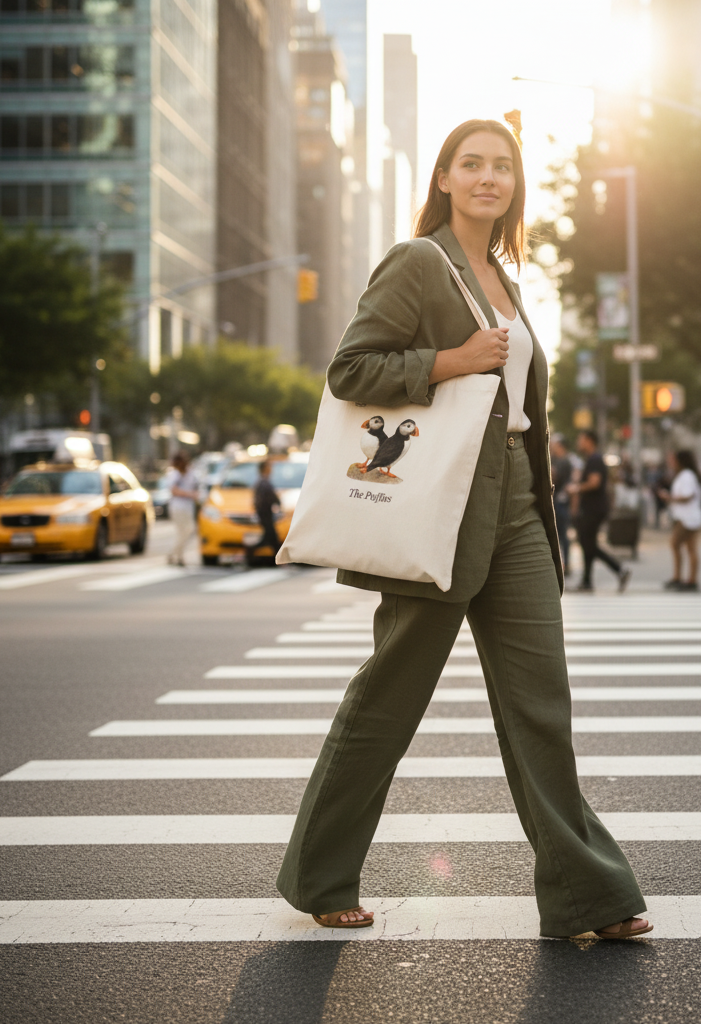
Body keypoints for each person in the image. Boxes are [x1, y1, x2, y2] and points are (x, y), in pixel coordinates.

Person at [275, 119, 649, 940]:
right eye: (471, 164)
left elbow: (517, 408)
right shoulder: (419, 262)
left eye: (502, 167)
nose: (488, 177)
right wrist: (451, 360)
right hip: (439, 506)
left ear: (516, 185)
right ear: (443, 178)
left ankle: (588, 896)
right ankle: (321, 875)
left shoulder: (507, 279)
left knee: (541, 706)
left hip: (517, 507)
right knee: (391, 695)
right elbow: (350, 369)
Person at [567, 429, 632, 593]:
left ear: (589, 441)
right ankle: (587, 581)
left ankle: (619, 569)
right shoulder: (591, 459)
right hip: (592, 508)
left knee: (588, 544)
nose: (579, 443)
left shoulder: (595, 459)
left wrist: (576, 488)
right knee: (587, 543)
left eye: (581, 439)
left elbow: (594, 482)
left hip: (594, 509)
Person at [658, 449, 701, 591]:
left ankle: (683, 578)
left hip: (688, 518)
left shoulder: (687, 475)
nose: (671, 463)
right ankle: (688, 579)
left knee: (675, 544)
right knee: (690, 548)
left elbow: (687, 496)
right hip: (686, 517)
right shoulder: (684, 475)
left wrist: (669, 498)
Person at [246, 460, 281, 566]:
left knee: (270, 538)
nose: (271, 469)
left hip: (265, 515)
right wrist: (277, 503)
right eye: (269, 467)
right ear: (265, 468)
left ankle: (278, 560)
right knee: (271, 538)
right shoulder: (263, 482)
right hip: (266, 515)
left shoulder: (262, 482)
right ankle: (250, 551)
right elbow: (268, 498)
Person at [166, 452, 198, 567]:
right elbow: (174, 490)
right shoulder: (174, 474)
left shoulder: (190, 472)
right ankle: (178, 556)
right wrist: (190, 494)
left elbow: (196, 485)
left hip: (188, 507)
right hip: (178, 506)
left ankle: (174, 553)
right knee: (181, 531)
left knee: (189, 530)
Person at [549, 433, 574, 574]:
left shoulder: (564, 462)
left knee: (562, 535)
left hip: (561, 503)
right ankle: (563, 564)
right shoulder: (557, 459)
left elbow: (554, 477)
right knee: (559, 535)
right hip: (558, 501)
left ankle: (565, 564)